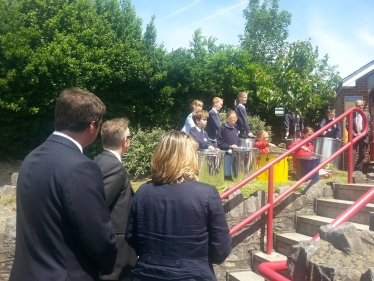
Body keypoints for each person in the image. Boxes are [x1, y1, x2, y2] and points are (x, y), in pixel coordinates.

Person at [9, 88, 118, 281]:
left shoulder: (31, 157)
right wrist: (108, 265)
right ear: (92, 126)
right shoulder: (81, 167)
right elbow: (98, 238)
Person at [125, 131, 232, 281]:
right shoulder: (206, 193)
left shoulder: (143, 191)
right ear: (189, 158)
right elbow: (221, 249)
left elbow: (131, 237)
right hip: (193, 274)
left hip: (147, 273)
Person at [94, 118, 137, 281]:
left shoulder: (99, 160)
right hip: (116, 248)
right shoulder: (114, 167)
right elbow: (99, 207)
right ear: (125, 141)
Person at [346, 100, 371, 171]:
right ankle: (351, 170)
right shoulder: (351, 114)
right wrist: (354, 133)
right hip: (354, 136)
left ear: (363, 106)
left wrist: (363, 133)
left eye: (360, 105)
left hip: (363, 136)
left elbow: (369, 126)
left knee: (362, 154)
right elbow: (348, 125)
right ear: (355, 106)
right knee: (352, 154)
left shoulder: (367, 114)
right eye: (357, 105)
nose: (359, 107)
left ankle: (357, 169)